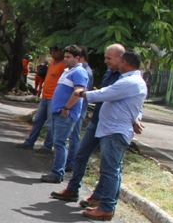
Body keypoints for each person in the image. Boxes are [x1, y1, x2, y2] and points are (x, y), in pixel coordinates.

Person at [50, 44, 143, 208]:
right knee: (81, 155)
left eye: (109, 58)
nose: (105, 61)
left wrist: (136, 117)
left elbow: (133, 102)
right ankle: (72, 189)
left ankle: (101, 199)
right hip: (98, 122)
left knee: (109, 166)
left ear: (121, 59)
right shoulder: (113, 74)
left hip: (113, 127)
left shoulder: (127, 79)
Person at [40, 46, 88, 183]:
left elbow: (78, 92)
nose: (65, 59)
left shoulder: (79, 72)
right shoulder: (67, 71)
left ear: (77, 58)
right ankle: (57, 171)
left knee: (60, 143)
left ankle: (57, 173)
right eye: (65, 56)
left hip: (65, 114)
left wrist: (67, 107)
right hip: (57, 112)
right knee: (57, 142)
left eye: (68, 57)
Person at [19, 47, 64, 150]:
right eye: (51, 51)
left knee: (50, 124)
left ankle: (47, 146)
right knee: (38, 120)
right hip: (45, 96)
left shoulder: (63, 65)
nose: (53, 53)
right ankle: (30, 142)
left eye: (55, 51)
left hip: (53, 98)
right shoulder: (52, 62)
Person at [64, 47, 94, 172]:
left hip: (78, 108)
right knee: (72, 135)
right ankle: (70, 161)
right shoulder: (83, 70)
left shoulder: (84, 71)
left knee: (74, 136)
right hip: (77, 107)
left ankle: (71, 162)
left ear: (80, 58)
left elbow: (80, 92)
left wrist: (68, 106)